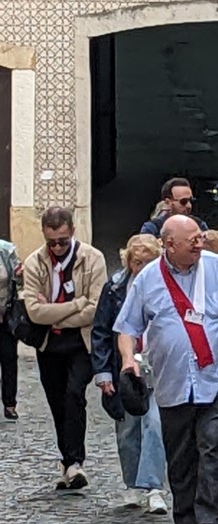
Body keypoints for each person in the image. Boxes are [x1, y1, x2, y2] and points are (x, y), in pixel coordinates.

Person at [114, 215, 218, 524]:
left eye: (201, 238)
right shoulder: (147, 279)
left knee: (211, 444)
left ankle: (210, 520)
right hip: (172, 382)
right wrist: (128, 360)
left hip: (215, 379)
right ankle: (187, 519)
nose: (200, 244)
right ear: (169, 244)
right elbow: (127, 327)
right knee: (180, 454)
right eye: (193, 241)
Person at [21, 207, 107, 491]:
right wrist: (76, 304)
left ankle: (75, 460)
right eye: (52, 242)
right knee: (57, 401)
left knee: (74, 393)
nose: (57, 248)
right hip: (49, 343)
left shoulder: (93, 259)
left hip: (82, 341)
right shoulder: (35, 262)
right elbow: (35, 313)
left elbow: (96, 308)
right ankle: (68, 461)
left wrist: (55, 314)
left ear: (72, 231)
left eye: (62, 241)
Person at [91, 233, 168, 514]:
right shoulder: (115, 288)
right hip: (124, 368)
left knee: (155, 426)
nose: (142, 268)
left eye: (148, 262)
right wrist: (103, 373)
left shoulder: (167, 287)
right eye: (137, 262)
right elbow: (101, 330)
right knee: (127, 430)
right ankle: (133, 483)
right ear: (129, 262)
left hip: (158, 367)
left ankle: (154, 487)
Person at [139, 178, 208, 237]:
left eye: (191, 201)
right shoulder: (152, 228)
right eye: (183, 201)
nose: (189, 205)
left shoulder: (200, 225)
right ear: (168, 202)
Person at [0, 237, 21, 420]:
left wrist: (20, 274)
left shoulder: (5, 250)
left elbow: (18, 280)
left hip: (5, 316)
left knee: (9, 359)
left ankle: (10, 403)